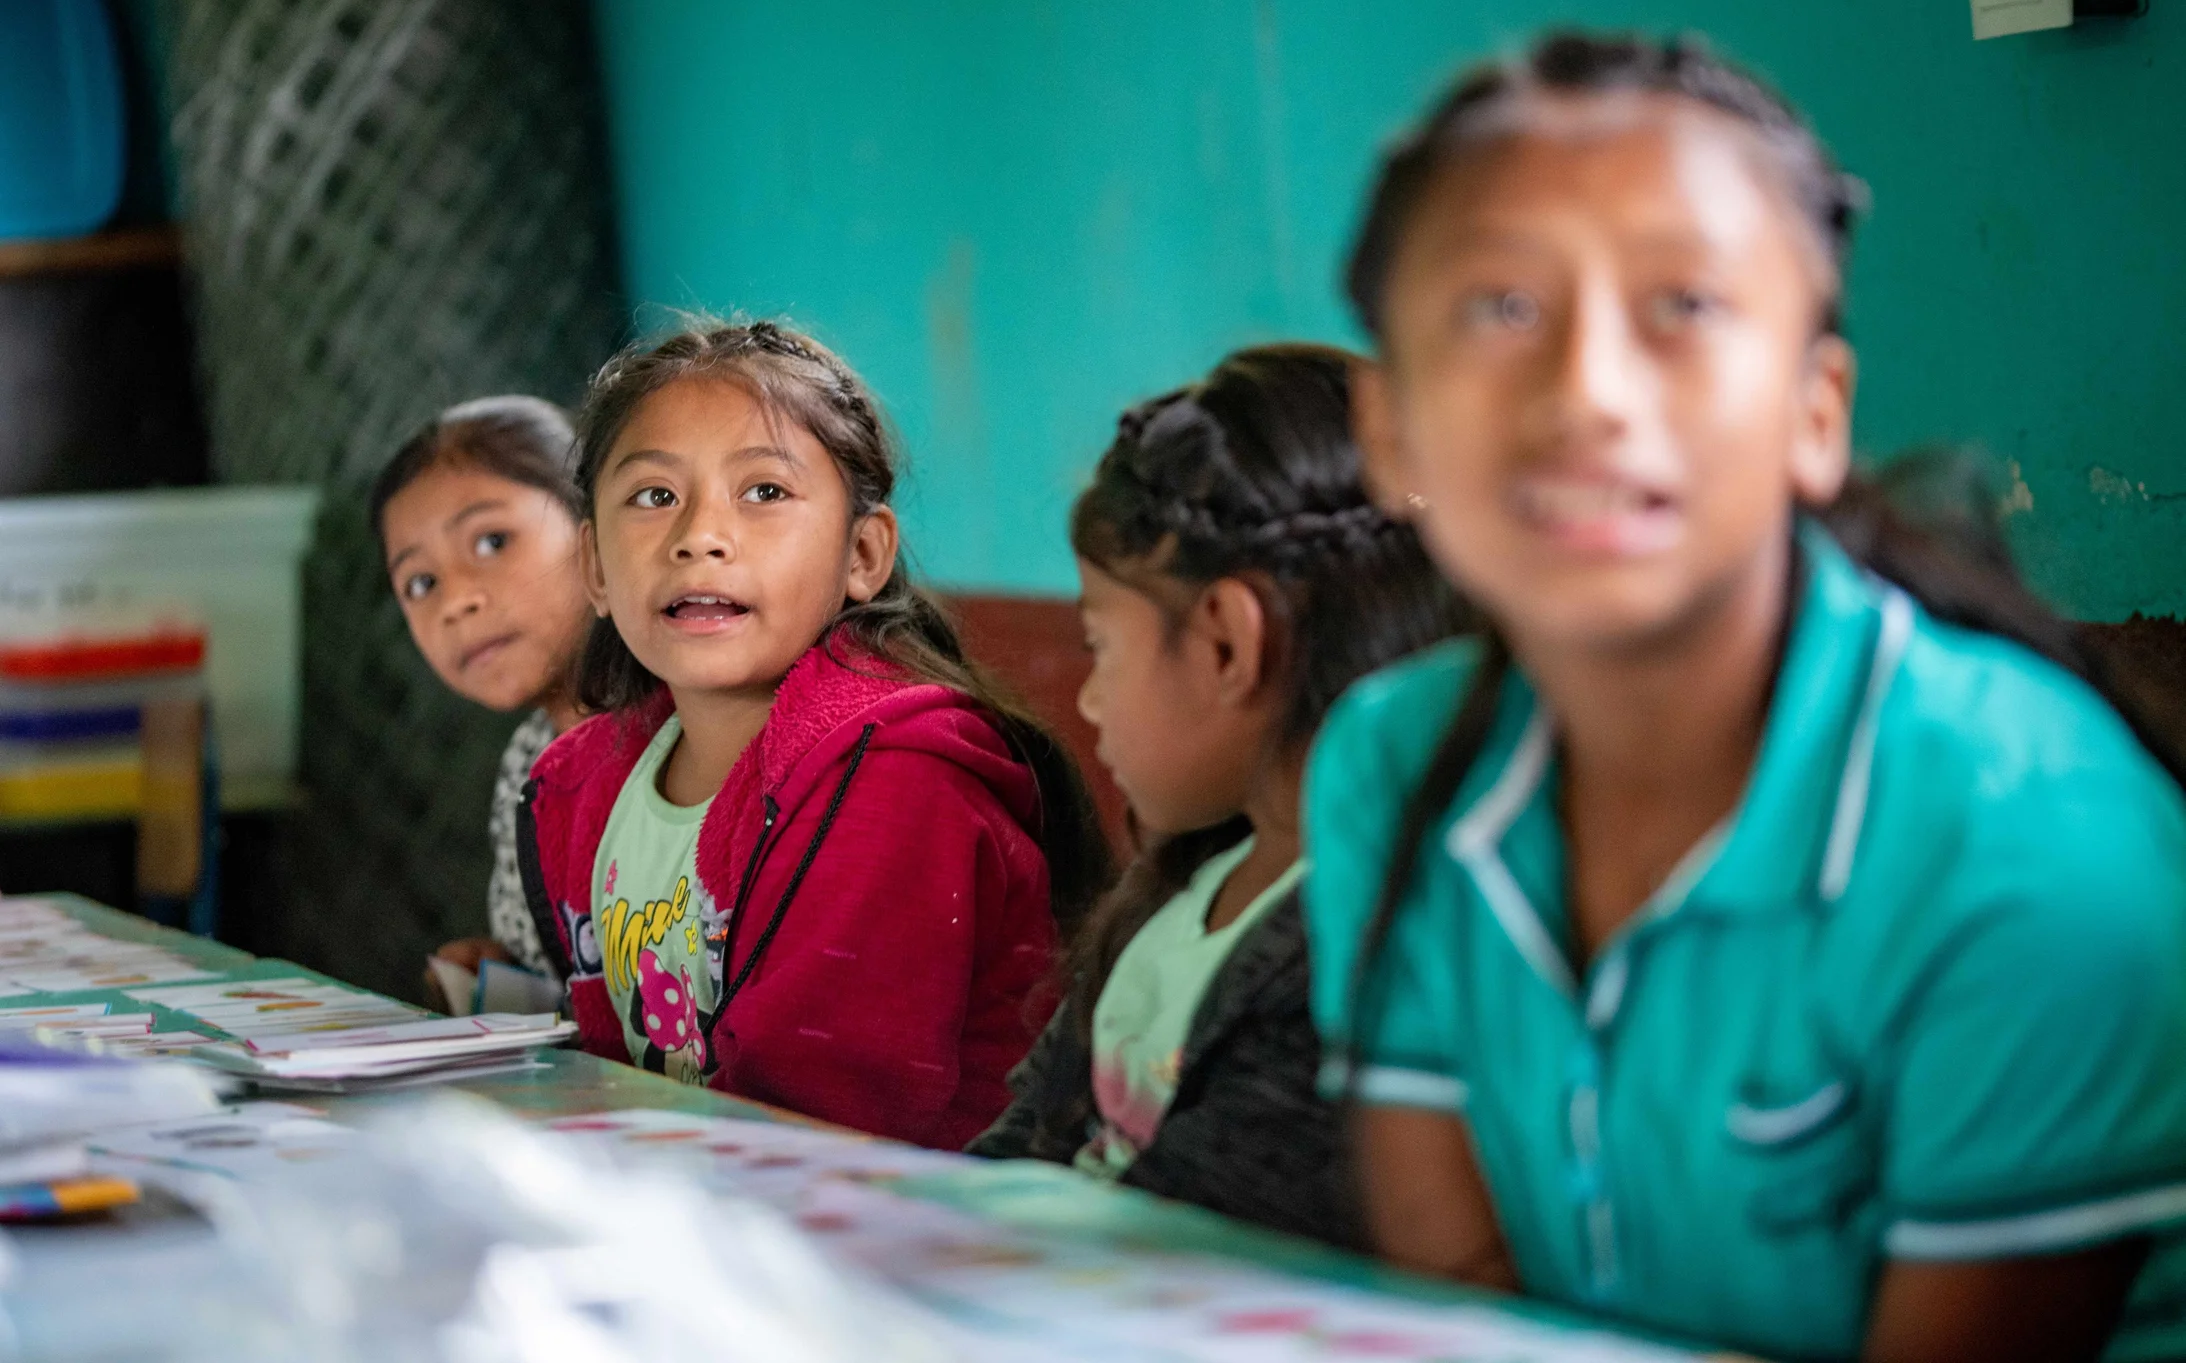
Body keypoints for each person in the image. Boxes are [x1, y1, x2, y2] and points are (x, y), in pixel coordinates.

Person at [1304, 31, 2186, 1361]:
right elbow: (1466, 1311)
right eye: (1498, 306)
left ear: (1813, 412)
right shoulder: (1388, 761)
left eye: (1686, 305)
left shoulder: (2028, 836)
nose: (1587, 393)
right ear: (1387, 429)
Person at [519, 318, 1108, 1147]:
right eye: (655, 496)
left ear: (862, 555)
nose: (700, 536)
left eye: (764, 491)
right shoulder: (582, 787)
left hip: (922, 1242)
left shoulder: (897, 780)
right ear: (594, 570)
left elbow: (816, 1129)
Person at [970, 345, 1467, 1249]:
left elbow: (1177, 1246)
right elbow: (1025, 1143)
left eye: (1099, 646)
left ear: (1227, 645)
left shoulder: (1346, 949)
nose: (1086, 697)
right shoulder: (1187, 878)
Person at [371, 395, 593, 982]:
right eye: (420, 582)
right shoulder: (529, 761)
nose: (456, 602)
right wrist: (506, 975)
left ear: (593, 532)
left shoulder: (696, 735)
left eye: (492, 542)